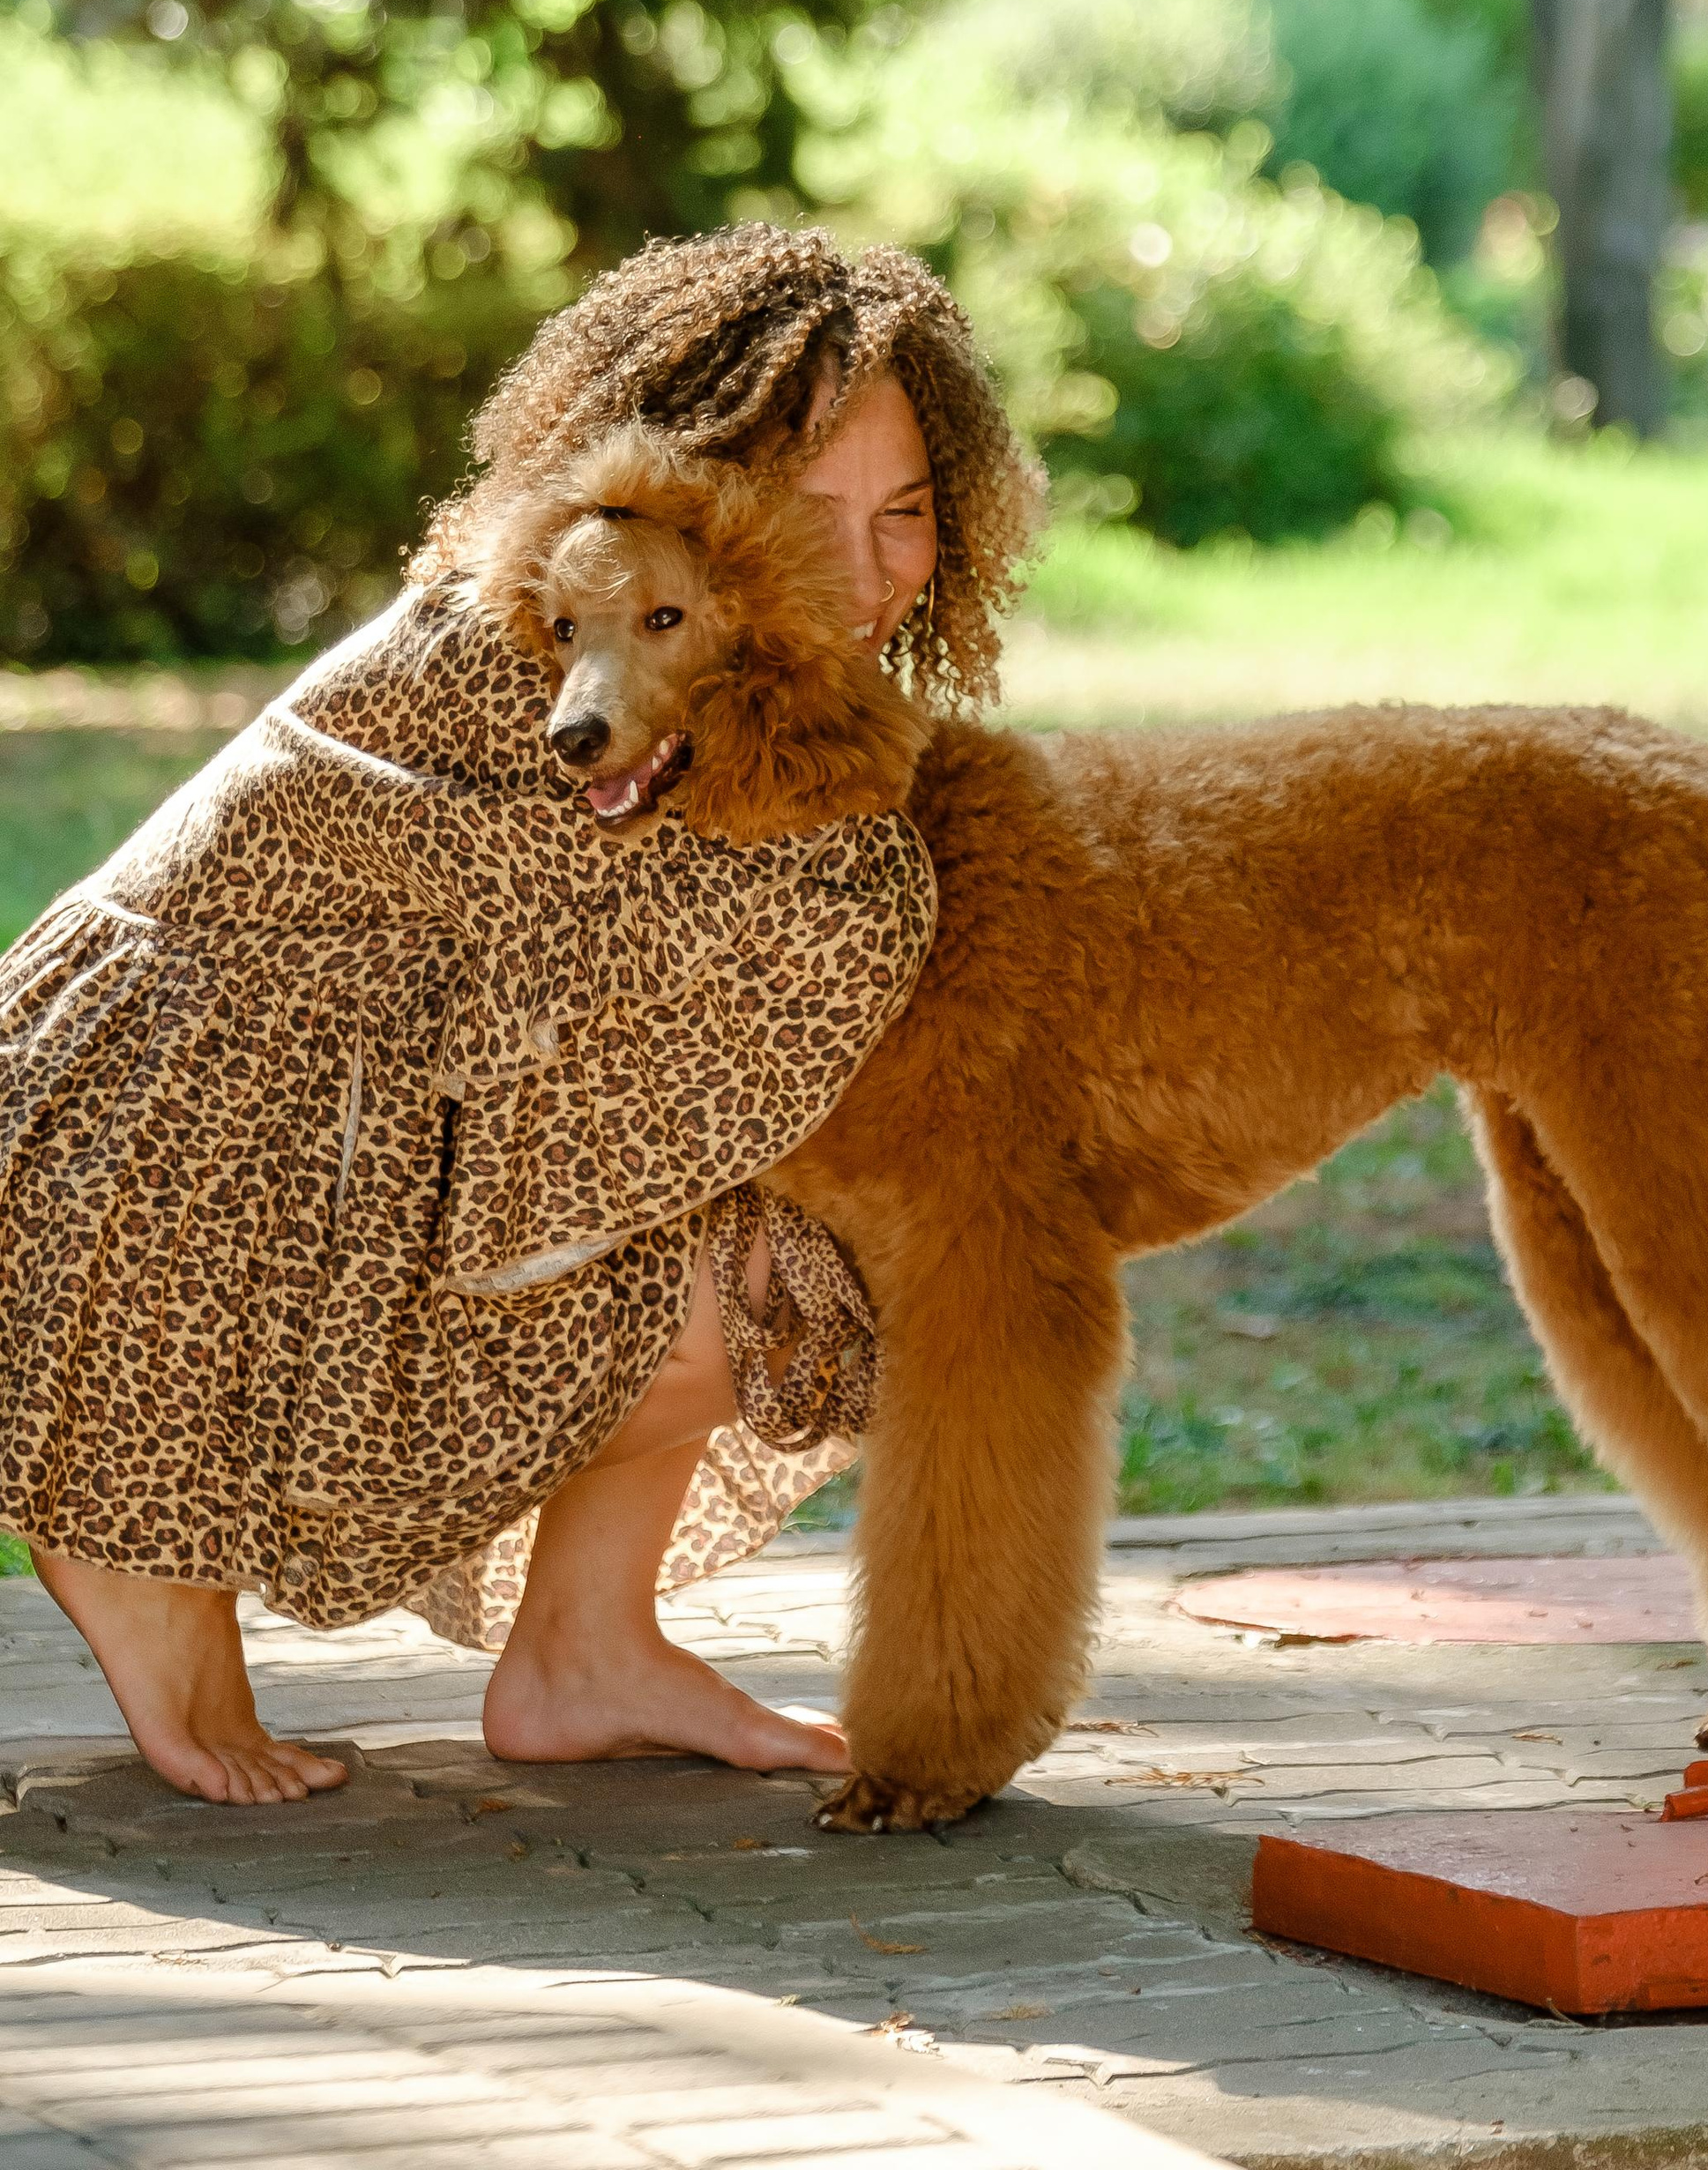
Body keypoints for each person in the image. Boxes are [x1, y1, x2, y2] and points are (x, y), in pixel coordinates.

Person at [0, 227, 1042, 1805]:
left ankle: (583, 1648)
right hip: (152, 1169)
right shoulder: (551, 627)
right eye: (810, 511)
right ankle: (135, 1542)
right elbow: (776, 910)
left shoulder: (722, 669)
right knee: (815, 1224)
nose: (872, 566)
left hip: (341, 1129)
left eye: (906, 516)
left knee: (836, 1258)